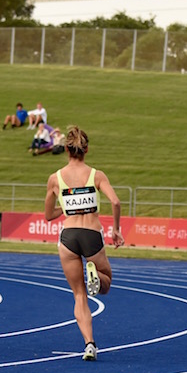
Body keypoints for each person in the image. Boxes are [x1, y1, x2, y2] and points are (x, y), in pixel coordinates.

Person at [44, 126, 124, 361]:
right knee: (106, 284)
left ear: (66, 150)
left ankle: (89, 344)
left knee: (79, 295)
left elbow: (48, 215)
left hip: (68, 237)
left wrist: (67, 207)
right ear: (86, 150)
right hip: (91, 234)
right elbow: (116, 202)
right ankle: (96, 277)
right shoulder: (96, 175)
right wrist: (116, 229)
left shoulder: (55, 178)